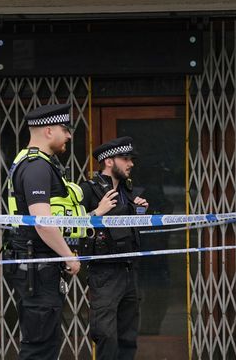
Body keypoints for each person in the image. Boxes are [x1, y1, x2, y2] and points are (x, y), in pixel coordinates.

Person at [3, 103, 87, 360]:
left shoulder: (29, 162)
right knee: (40, 348)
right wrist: (68, 256)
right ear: (49, 131)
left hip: (36, 267)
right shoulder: (37, 167)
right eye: (65, 129)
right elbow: (42, 222)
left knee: (44, 343)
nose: (70, 136)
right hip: (37, 268)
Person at [79, 136, 148, 360]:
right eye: (125, 159)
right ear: (109, 161)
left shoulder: (129, 192)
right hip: (104, 272)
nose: (131, 164)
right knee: (106, 335)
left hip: (129, 270)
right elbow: (68, 227)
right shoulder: (88, 190)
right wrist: (96, 213)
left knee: (128, 336)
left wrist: (140, 212)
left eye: (131, 159)